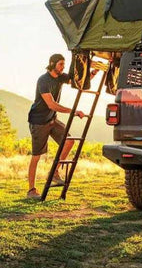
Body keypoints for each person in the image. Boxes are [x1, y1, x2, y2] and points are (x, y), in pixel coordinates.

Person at [27, 54, 99, 199]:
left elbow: (78, 82)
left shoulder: (60, 77)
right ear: (52, 64)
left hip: (52, 119)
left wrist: (93, 73)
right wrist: (73, 111)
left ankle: (54, 172)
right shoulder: (43, 80)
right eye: (60, 64)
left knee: (69, 141)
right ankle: (31, 190)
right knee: (36, 156)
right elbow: (51, 104)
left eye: (64, 65)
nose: (63, 67)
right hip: (39, 121)